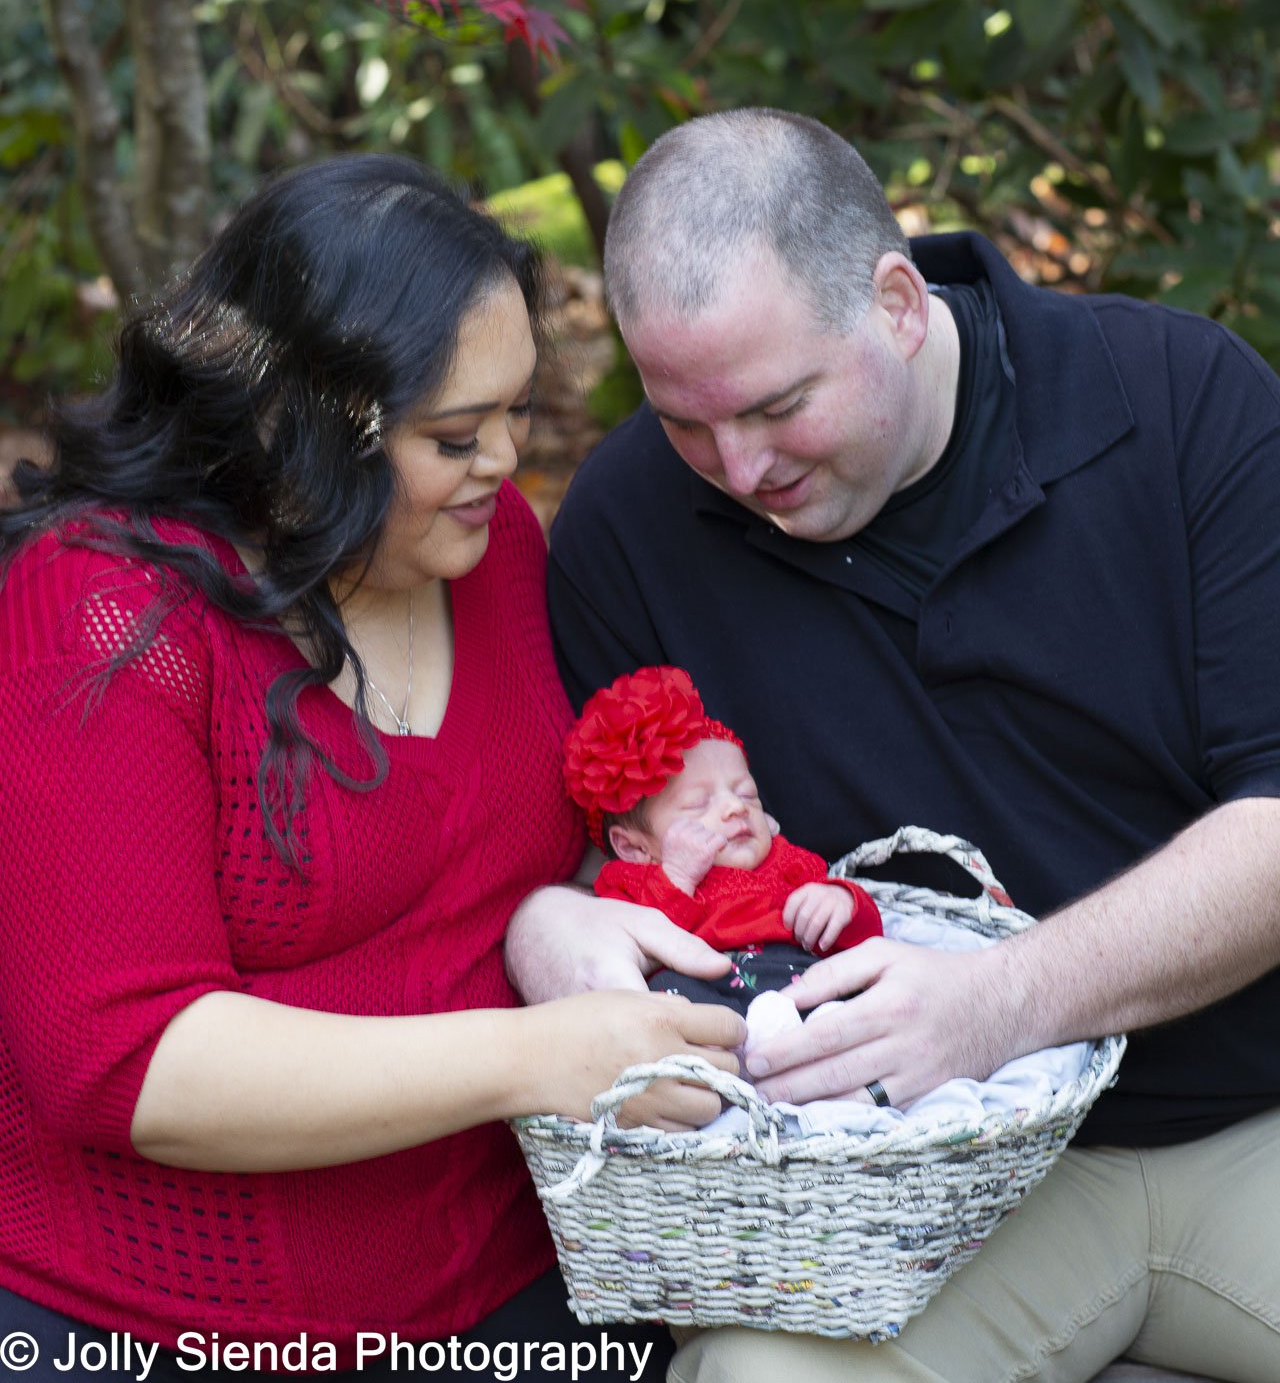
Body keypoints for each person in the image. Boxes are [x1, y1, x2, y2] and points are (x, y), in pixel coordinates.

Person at [505, 110, 1280, 1383]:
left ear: (897, 300)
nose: (737, 466)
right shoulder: (632, 523)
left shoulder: (1180, 402)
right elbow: (629, 866)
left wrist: (1002, 1000)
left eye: (776, 405)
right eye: (685, 422)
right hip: (904, 1207)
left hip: (1247, 1116)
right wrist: (553, 920)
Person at [0, 155, 746, 1383]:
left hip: (518, 1289)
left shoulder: (486, 542)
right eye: (457, 433)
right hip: (158, 1323)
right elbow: (122, 1059)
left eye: (516, 412)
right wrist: (534, 1057)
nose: (508, 459)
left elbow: (500, 860)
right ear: (291, 420)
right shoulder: (107, 613)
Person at [563, 664, 882, 1010]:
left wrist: (840, 902)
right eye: (698, 804)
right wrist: (678, 877)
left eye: (747, 794)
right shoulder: (633, 884)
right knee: (668, 991)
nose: (735, 807)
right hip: (707, 999)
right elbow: (640, 946)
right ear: (634, 847)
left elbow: (864, 933)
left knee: (856, 980)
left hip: (799, 984)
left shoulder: (784, 860)